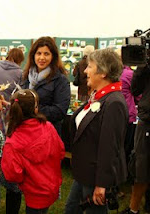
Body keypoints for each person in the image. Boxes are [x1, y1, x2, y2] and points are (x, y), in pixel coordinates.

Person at [65, 48, 128, 214]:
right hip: (85, 173)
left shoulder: (113, 102)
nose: (85, 71)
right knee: (71, 208)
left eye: (90, 67)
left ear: (103, 73)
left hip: (95, 177)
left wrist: (102, 184)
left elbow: (110, 147)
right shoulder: (99, 97)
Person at [1, 89, 65, 214]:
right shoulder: (48, 127)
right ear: (35, 109)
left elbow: (12, 174)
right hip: (50, 185)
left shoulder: (12, 141)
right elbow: (61, 151)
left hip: (33, 191)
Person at [22, 36, 70, 136]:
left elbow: (60, 111)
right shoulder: (26, 76)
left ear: (53, 56)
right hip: (26, 131)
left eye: (46, 54)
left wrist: (33, 109)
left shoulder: (60, 80)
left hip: (47, 134)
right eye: (39, 53)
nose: (42, 58)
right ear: (33, 55)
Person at [120, 64, 150, 214]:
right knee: (140, 165)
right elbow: (136, 90)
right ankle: (134, 209)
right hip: (146, 122)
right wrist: (142, 68)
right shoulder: (144, 67)